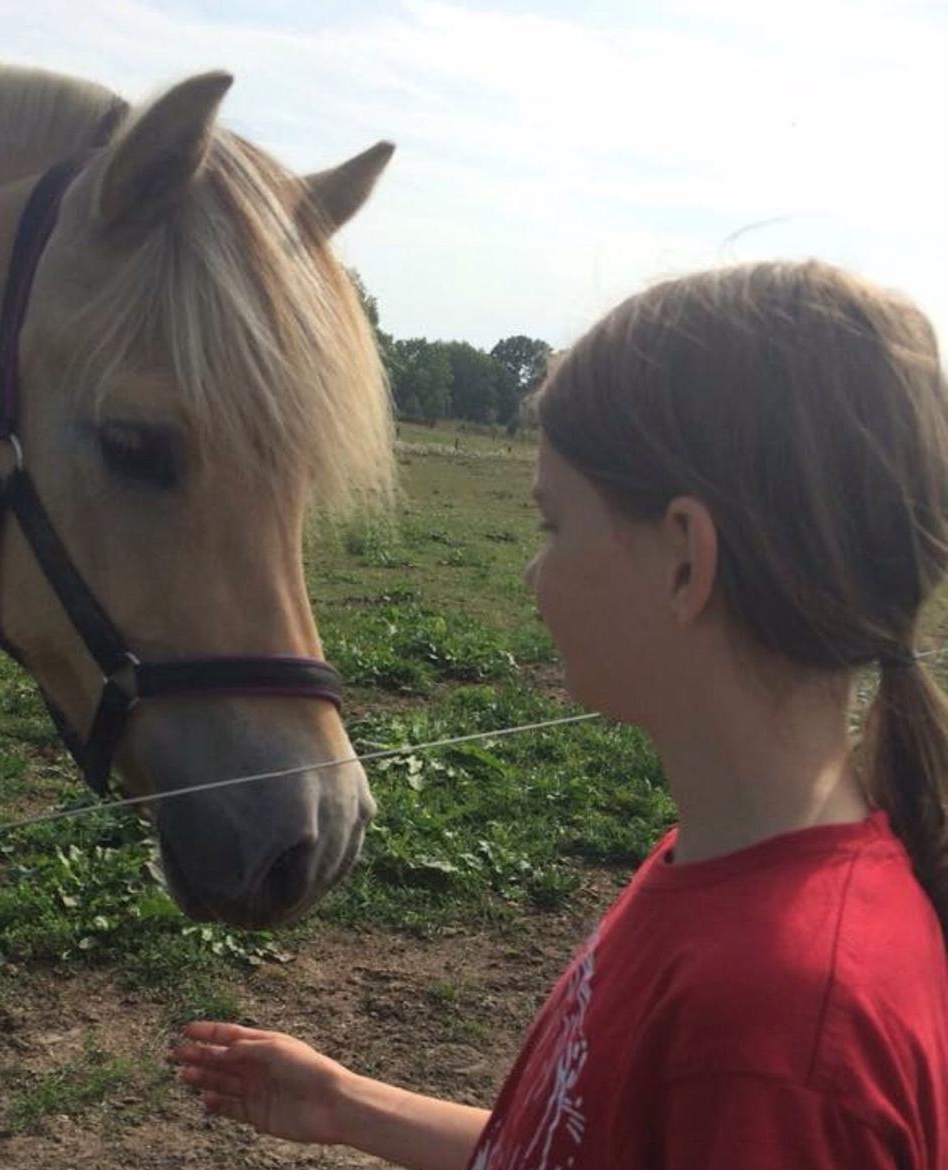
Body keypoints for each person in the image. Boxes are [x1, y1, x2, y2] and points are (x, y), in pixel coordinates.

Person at [172, 261, 948, 1168]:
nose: (533, 574)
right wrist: (353, 1107)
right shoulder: (724, 868)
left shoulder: (777, 1038)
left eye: (552, 524)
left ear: (684, 563)